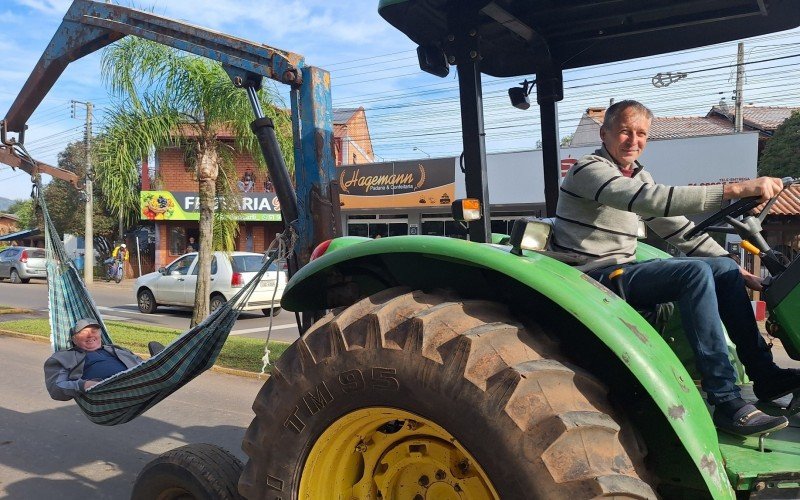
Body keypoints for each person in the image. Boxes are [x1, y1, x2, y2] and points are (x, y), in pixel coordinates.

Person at [553, 99, 800, 437]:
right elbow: (651, 200)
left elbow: (678, 228)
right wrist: (735, 189)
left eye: (641, 134)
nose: (633, 140)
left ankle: (765, 374)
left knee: (722, 271)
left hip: (622, 269)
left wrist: (731, 266)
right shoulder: (588, 169)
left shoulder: (638, 175)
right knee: (693, 272)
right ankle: (725, 399)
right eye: (624, 131)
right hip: (590, 275)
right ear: (605, 133)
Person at [43, 318, 163, 401]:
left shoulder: (116, 349)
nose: (90, 335)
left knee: (157, 367)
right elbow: (56, 388)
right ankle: (161, 365)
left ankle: (161, 363)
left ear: (100, 335)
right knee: (159, 372)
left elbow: (138, 362)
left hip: (139, 379)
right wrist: (83, 385)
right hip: (109, 391)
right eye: (84, 333)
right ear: (74, 340)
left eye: (94, 331)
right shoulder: (64, 357)